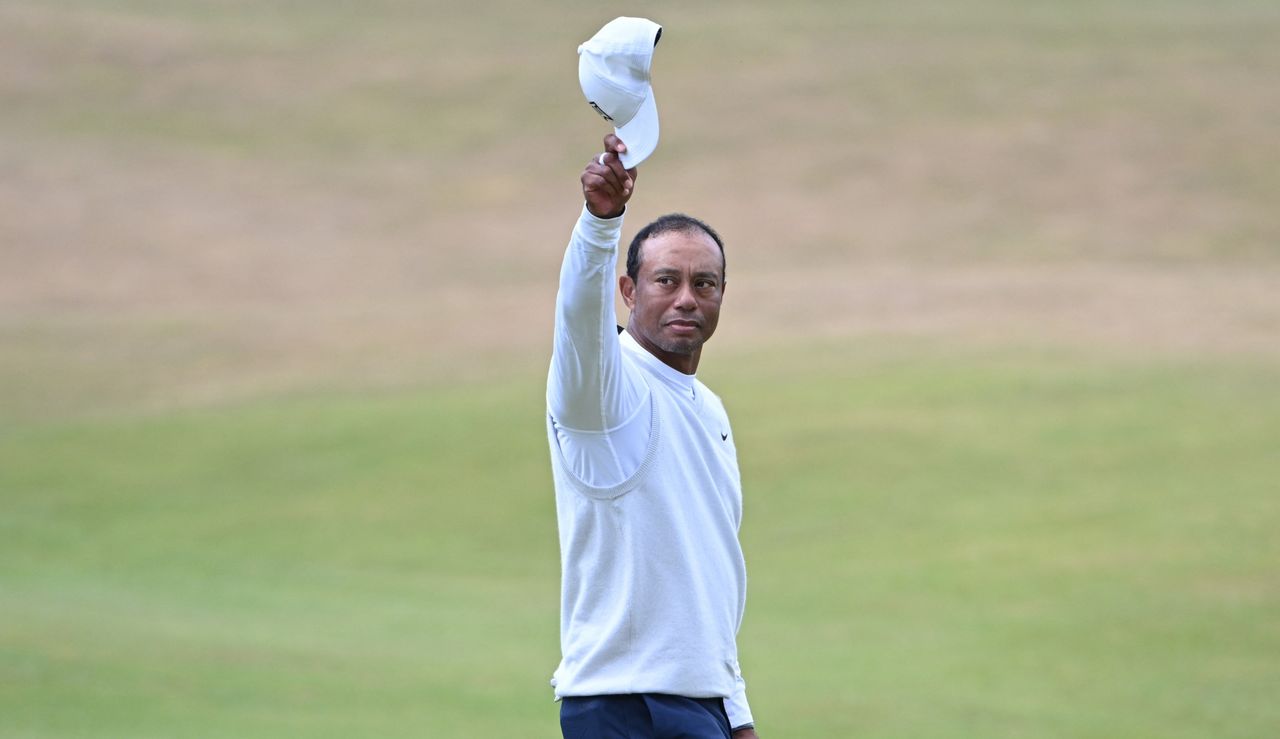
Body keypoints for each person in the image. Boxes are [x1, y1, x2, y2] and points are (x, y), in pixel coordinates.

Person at [545, 133, 759, 739]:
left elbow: (707, 573)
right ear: (629, 290)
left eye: (706, 283)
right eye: (667, 280)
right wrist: (599, 222)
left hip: (702, 705)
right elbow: (577, 320)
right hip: (622, 705)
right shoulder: (602, 394)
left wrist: (736, 714)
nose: (688, 298)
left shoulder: (710, 409)